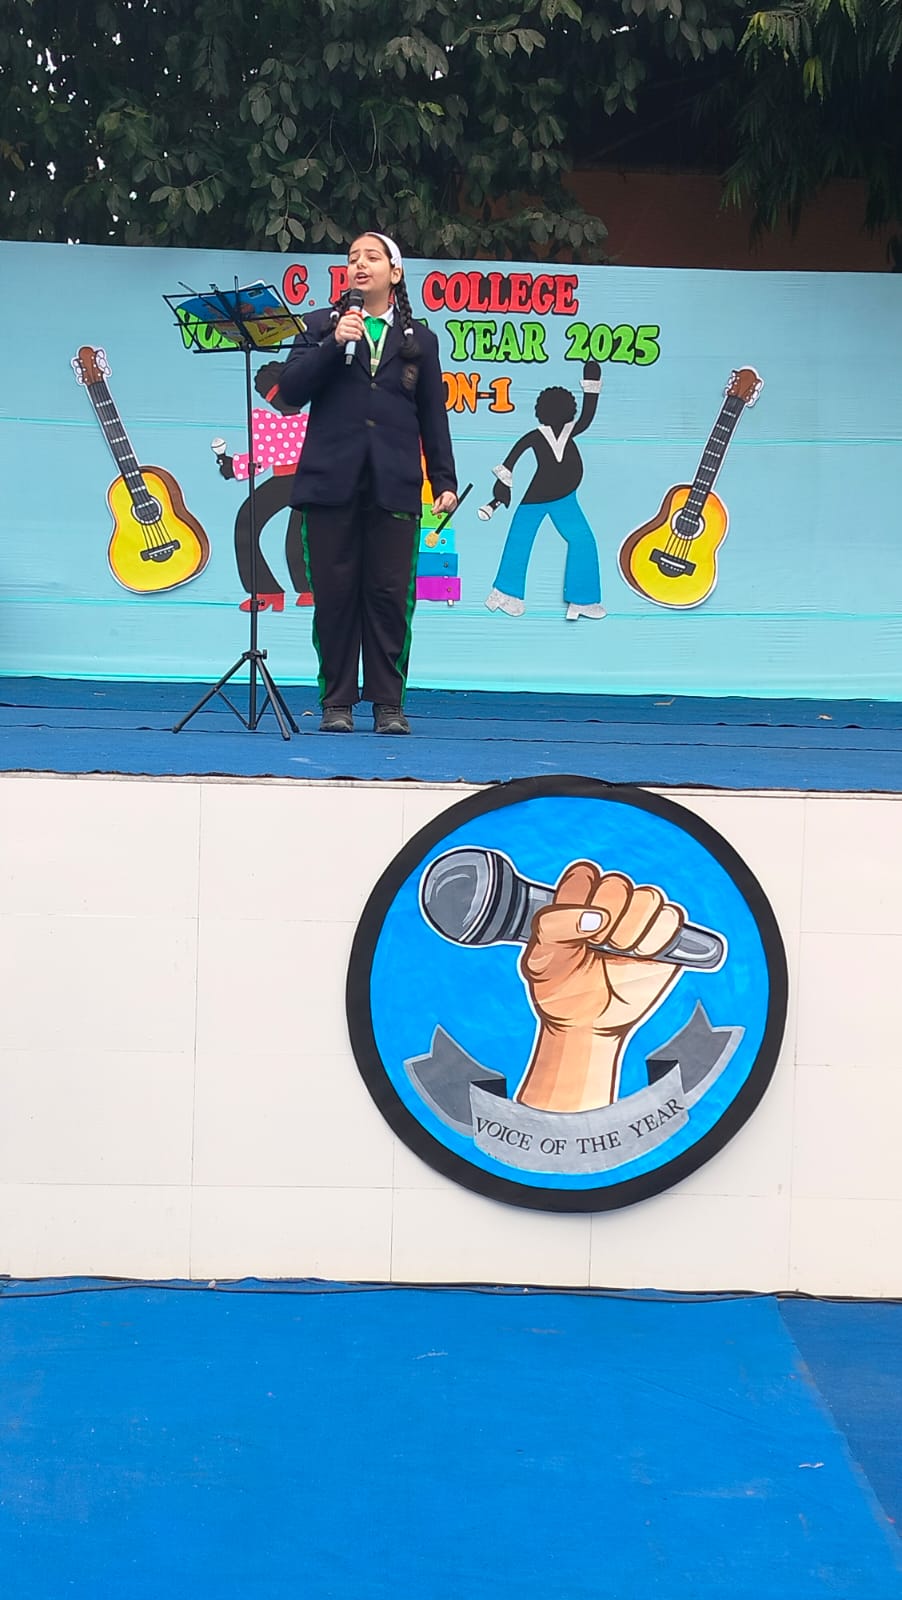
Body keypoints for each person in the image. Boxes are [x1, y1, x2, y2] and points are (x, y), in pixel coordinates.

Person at [278, 232, 458, 734]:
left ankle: (388, 705)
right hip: (329, 483)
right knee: (334, 597)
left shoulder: (420, 340)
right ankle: (336, 702)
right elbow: (290, 390)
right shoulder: (319, 326)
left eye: (372, 257)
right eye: (353, 258)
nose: (360, 264)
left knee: (390, 596)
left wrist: (443, 479)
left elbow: (433, 414)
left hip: (394, 483)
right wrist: (334, 344)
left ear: (394, 273)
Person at [481, 360, 605, 620]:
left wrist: (591, 384)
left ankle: (582, 601)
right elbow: (511, 461)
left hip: (564, 497)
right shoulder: (537, 436)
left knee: (582, 540)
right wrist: (502, 487)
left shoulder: (569, 431)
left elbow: (588, 415)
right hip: (536, 498)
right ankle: (505, 593)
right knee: (520, 538)